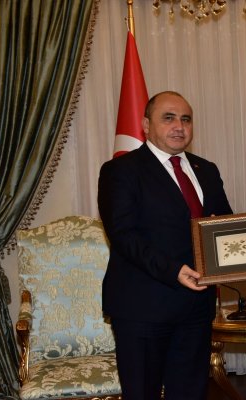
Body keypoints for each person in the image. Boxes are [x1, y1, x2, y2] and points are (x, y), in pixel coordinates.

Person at [98, 91, 233, 400]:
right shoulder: (121, 170)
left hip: (196, 307)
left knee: (191, 392)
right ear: (146, 125)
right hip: (143, 308)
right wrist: (174, 270)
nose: (179, 126)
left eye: (186, 119)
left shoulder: (206, 169)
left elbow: (222, 223)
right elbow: (124, 235)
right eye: (168, 118)